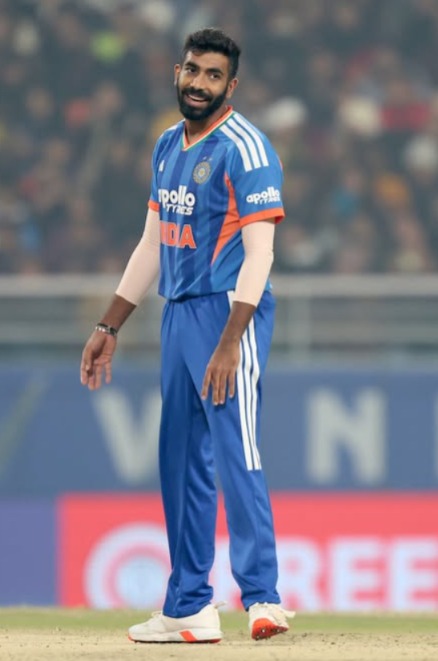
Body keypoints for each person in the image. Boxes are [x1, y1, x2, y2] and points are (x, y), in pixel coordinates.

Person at [80, 27, 294, 643]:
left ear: (232, 85)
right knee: (179, 458)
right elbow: (152, 244)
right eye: (193, 70)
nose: (200, 83)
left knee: (237, 449)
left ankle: (263, 598)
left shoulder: (246, 149)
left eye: (213, 75)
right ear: (178, 71)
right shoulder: (166, 146)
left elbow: (261, 253)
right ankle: (189, 605)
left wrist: (231, 340)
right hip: (177, 312)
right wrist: (109, 324)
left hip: (229, 312)